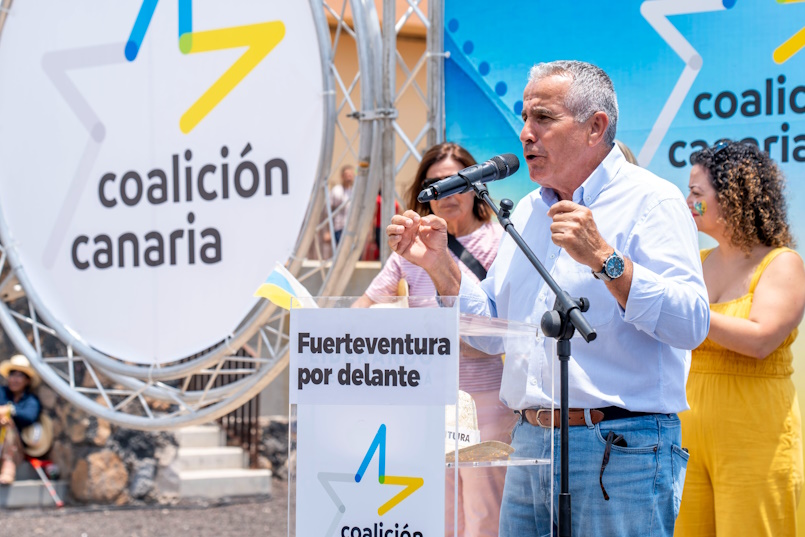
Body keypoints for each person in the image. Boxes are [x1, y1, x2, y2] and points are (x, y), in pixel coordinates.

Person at [387, 60, 709, 536]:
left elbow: (691, 324)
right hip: (531, 444)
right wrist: (439, 267)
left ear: (595, 126)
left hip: (617, 449)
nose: (525, 133)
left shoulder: (651, 200)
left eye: (543, 118)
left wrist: (604, 259)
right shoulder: (535, 211)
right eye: (523, 118)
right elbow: (495, 333)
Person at [354, 142, 516, 537]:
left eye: (455, 182)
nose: (446, 193)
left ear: (475, 186)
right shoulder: (409, 248)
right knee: (436, 515)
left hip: (485, 405)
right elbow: (363, 308)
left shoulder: (500, 244)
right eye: (435, 183)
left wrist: (432, 336)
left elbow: (501, 331)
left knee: (482, 517)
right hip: (427, 399)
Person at [675, 140, 805, 537]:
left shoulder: (782, 262)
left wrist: (684, 311)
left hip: (756, 436)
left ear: (733, 196)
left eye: (696, 193)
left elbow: (760, 339)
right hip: (686, 436)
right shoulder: (694, 263)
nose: (687, 201)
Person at [0, 354, 42, 484]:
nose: (14, 379)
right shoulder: (2, 392)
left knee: (8, 425)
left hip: (16, 448)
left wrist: (10, 411)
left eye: (20, 376)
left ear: (27, 380)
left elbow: (29, 417)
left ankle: (8, 466)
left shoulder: (31, 400)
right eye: (13, 374)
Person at [330, 164, 355, 244]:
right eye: (347, 175)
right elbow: (328, 211)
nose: (349, 177)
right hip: (338, 228)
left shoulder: (354, 191)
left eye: (350, 175)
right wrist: (328, 230)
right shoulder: (336, 190)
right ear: (342, 176)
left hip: (351, 228)